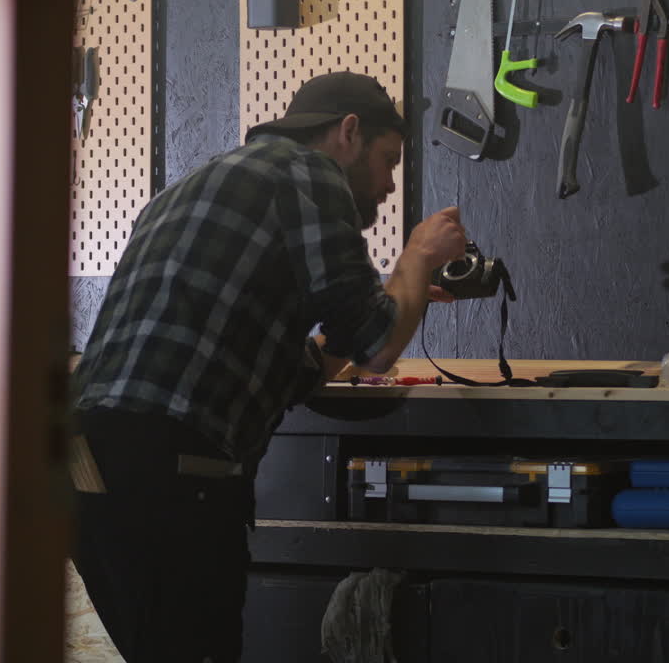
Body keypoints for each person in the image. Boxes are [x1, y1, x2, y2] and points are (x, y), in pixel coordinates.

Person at [68, 71, 467, 663]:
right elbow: (379, 346)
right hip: (169, 473)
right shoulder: (308, 174)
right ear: (348, 132)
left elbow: (292, 373)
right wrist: (418, 256)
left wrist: (396, 294)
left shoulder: (193, 187)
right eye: (387, 160)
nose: (388, 185)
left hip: (89, 464)